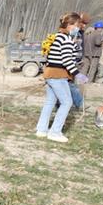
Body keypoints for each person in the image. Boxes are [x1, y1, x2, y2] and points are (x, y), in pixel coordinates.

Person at [36, 12, 85, 143]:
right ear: (69, 25)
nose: (79, 28)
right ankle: (55, 132)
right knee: (67, 102)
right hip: (59, 74)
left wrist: (74, 43)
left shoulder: (57, 37)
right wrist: (77, 74)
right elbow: (67, 59)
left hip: (50, 73)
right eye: (77, 25)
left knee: (50, 102)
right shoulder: (66, 39)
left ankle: (41, 129)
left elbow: (68, 53)